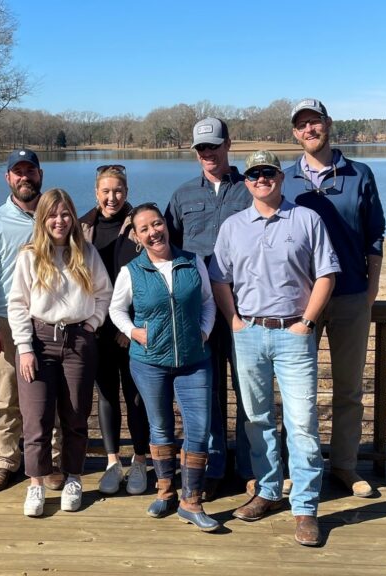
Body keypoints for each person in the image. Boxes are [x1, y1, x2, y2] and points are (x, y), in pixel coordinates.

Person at [209, 150, 340, 546]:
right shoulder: (233, 226)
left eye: (268, 172)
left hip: (293, 335)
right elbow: (220, 278)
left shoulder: (306, 219)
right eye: (254, 174)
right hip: (249, 332)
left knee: (302, 423)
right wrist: (233, 320)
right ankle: (266, 492)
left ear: (280, 177)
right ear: (246, 181)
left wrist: (308, 323)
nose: (261, 179)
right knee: (257, 420)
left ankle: (305, 507)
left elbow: (326, 274)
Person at [283, 99, 386, 499]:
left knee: (348, 391)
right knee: (297, 392)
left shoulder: (359, 174)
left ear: (328, 125)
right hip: (298, 303)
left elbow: (375, 234)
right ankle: (299, 467)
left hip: (349, 300)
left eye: (315, 122)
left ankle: (344, 466)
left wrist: (371, 290)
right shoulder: (284, 179)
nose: (310, 130)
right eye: (302, 125)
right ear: (295, 133)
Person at [109, 203, 219, 532]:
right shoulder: (132, 270)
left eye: (157, 224)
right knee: (160, 428)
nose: (153, 232)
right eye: (144, 229)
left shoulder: (192, 261)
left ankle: (191, 499)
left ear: (166, 226)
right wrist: (133, 331)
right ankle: (165, 490)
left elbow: (209, 302)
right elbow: (116, 309)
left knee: (199, 430)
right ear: (137, 237)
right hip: (149, 362)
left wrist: (203, 332)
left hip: (194, 360)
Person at [8, 188, 112, 517]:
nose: (60, 220)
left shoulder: (86, 253)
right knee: (36, 418)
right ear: (42, 219)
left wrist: (92, 325)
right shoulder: (29, 256)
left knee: (76, 416)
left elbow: (104, 293)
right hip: (38, 341)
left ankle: (73, 477)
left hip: (78, 342)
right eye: (53, 214)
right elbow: (17, 304)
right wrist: (24, 348)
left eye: (65, 214)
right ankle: (36, 484)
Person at [164, 118, 253, 497]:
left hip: (246, 306)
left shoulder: (250, 188)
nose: (208, 154)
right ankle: (213, 466)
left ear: (228, 144)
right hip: (201, 311)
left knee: (250, 389)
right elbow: (165, 247)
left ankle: (252, 468)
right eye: (201, 148)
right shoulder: (183, 195)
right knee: (207, 389)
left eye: (214, 145)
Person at [0, 149, 63, 492]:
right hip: (8, 321)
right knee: (9, 394)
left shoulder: (56, 217)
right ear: (8, 178)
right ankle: (5, 461)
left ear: (40, 174)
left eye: (31, 171)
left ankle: (52, 461)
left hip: (51, 319)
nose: (25, 177)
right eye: (18, 172)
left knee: (51, 394)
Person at [79, 164, 149, 496]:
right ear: (96, 193)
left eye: (118, 190)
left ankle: (139, 460)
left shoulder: (141, 225)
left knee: (136, 397)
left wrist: (132, 326)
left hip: (132, 331)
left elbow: (152, 278)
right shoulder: (82, 228)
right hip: (97, 329)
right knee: (106, 395)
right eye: (105, 191)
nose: (112, 197)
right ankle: (112, 461)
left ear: (127, 191)